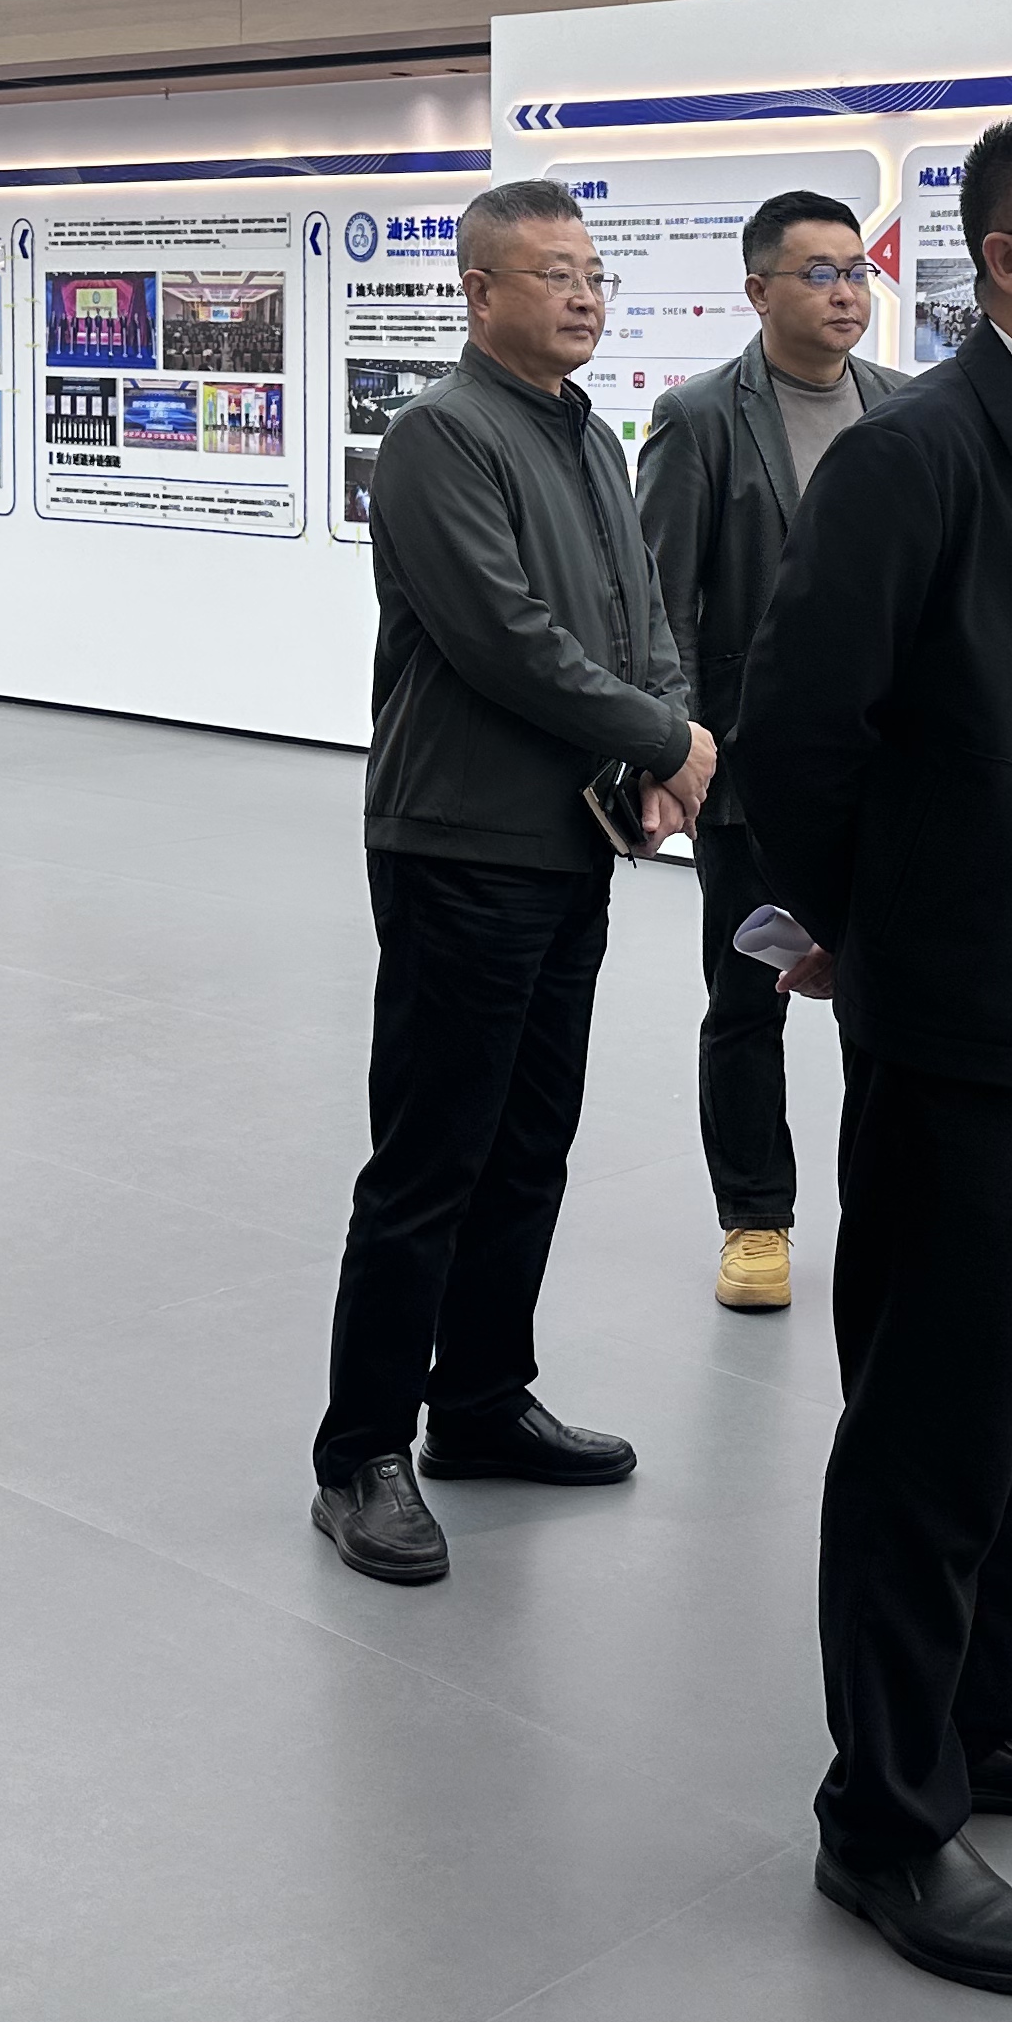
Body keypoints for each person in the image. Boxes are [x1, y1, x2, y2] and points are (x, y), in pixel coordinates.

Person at [736, 101, 1012, 1998]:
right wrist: (871, 942)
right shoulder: (915, 458)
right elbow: (794, 737)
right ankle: (885, 1813)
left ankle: (975, 1716)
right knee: (931, 1422)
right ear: (1006, 261)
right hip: (964, 1010)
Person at [312, 177, 715, 1585]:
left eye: (595, 273)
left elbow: (640, 615)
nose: (585, 296)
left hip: (567, 842)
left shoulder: (591, 433)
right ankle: (361, 1453)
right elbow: (507, 635)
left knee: (531, 1142)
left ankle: (480, 1400)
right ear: (481, 293)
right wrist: (664, 737)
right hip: (460, 845)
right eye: (556, 274)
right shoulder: (441, 434)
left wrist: (664, 736)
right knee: (433, 1157)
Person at [632, 189, 904, 1314]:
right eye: (818, 273)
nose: (845, 293)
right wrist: (677, 748)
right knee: (748, 999)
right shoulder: (701, 416)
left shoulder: (903, 406)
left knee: (891, 1000)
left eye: (857, 271)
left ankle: (889, 1208)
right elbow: (661, 602)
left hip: (888, 773)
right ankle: (755, 1217)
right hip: (751, 774)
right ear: (758, 290)